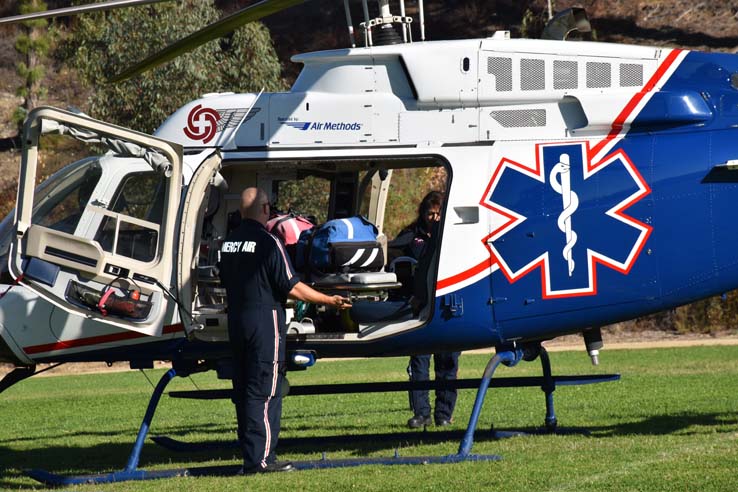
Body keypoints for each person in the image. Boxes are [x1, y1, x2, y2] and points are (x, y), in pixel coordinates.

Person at [219, 187, 351, 474]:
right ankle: (261, 460)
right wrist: (329, 299)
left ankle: (250, 455)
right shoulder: (269, 242)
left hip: (237, 322)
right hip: (264, 321)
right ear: (265, 209)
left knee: (244, 390)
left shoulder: (228, 243)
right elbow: (291, 286)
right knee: (265, 390)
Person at [389, 191, 461, 429]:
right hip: (419, 307)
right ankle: (421, 413)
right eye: (430, 213)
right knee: (419, 362)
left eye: (439, 213)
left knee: (448, 363)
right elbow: (392, 255)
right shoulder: (411, 237)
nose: (434, 218)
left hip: (448, 306)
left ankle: (444, 414)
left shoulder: (457, 235)